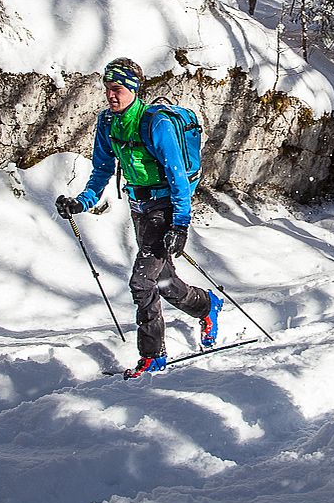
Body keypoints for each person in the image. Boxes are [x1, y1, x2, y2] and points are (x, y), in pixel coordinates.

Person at [56, 57, 221, 379]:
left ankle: (152, 356)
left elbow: (177, 177)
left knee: (142, 282)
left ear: (132, 89)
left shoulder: (155, 124)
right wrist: (81, 202)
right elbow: (102, 170)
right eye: (107, 89)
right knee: (165, 282)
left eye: (117, 89)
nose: (110, 96)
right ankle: (206, 306)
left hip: (165, 206)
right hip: (138, 207)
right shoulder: (107, 123)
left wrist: (180, 223)